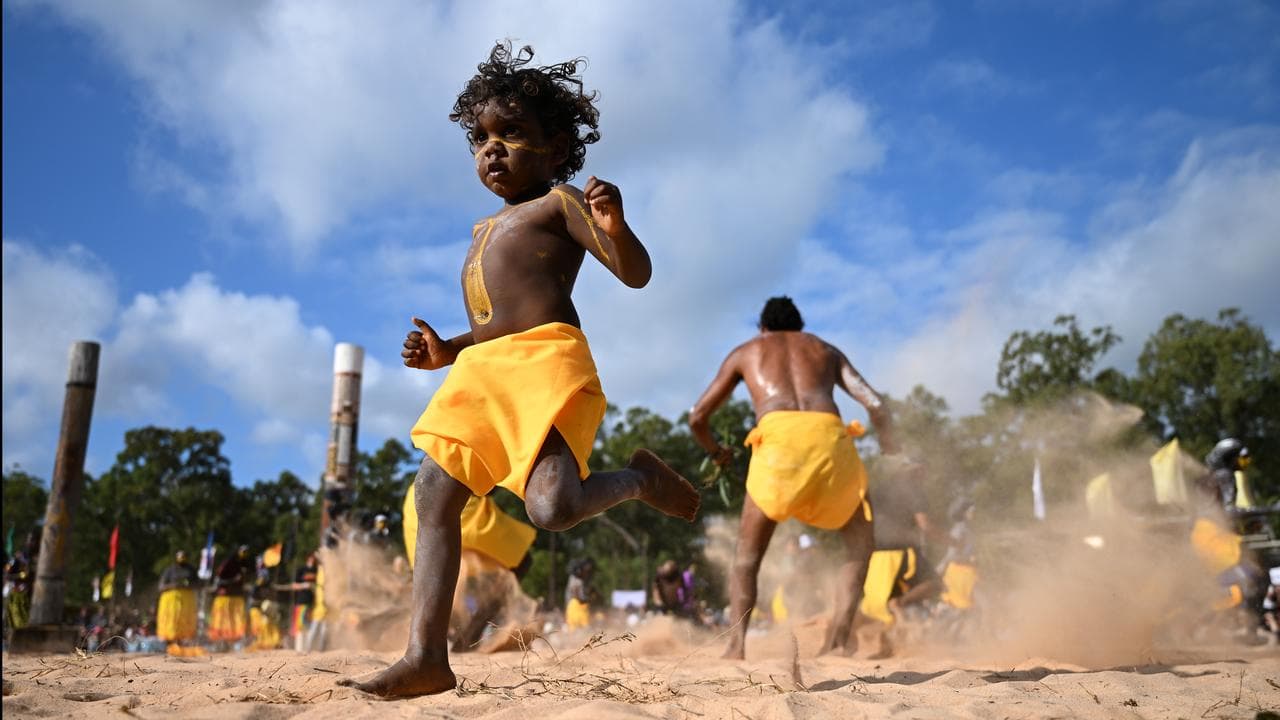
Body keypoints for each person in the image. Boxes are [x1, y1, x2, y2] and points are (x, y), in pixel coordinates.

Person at [339, 42, 700, 698]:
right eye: (480, 137)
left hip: (543, 363)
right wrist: (448, 349)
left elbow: (636, 275)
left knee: (553, 509)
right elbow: (497, 319)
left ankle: (640, 479)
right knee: (432, 496)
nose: (492, 147)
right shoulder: (484, 228)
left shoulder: (559, 204)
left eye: (512, 133)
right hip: (483, 369)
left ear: (556, 147)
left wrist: (615, 227)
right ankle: (426, 655)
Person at [690, 296, 895, 659]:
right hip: (830, 445)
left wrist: (716, 452)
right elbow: (876, 404)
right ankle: (837, 641)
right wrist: (891, 450)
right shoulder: (825, 350)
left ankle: (736, 648)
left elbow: (698, 417)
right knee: (860, 548)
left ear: (763, 328)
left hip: (778, 448)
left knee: (747, 558)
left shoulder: (747, 351)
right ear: (800, 327)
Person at [208, 545, 251, 646]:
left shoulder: (244, 564)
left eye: (246, 552)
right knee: (222, 623)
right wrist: (233, 581)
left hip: (237, 598)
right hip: (224, 598)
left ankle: (233, 645)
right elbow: (218, 581)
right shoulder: (228, 562)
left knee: (237, 623)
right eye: (243, 551)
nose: (244, 554)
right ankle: (220, 644)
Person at [155, 550, 198, 648]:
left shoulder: (191, 570)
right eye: (179, 556)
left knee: (185, 619)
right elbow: (161, 586)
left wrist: (188, 585)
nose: (181, 558)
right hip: (171, 601)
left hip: (187, 601)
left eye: (183, 555)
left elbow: (198, 584)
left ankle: (183, 643)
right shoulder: (170, 570)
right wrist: (173, 585)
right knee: (172, 620)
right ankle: (171, 642)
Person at [564, 558, 598, 630]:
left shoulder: (579, 580)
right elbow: (575, 592)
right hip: (575, 605)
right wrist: (584, 600)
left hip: (577, 605)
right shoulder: (576, 580)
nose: (587, 572)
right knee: (578, 627)